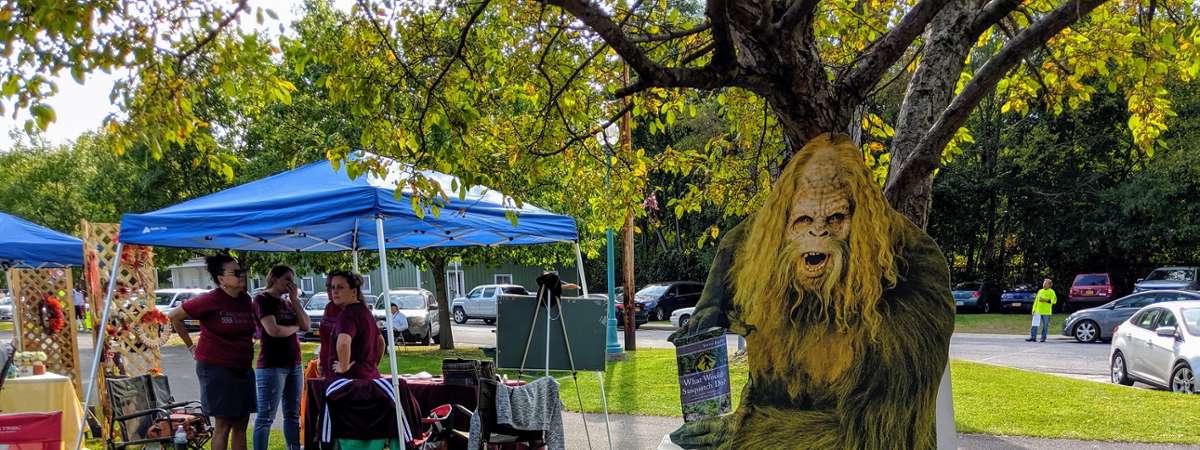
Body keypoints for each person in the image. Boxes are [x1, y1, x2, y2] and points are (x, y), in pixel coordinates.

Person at [168, 255, 257, 450]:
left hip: (243, 368)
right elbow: (174, 316)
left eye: (242, 271)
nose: (241, 275)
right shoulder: (210, 300)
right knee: (223, 425)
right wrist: (190, 346)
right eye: (236, 272)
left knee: (241, 425)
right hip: (217, 368)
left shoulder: (245, 299)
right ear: (221, 279)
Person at [251, 266, 310, 450]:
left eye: (292, 280)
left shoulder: (288, 303)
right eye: (287, 279)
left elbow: (306, 325)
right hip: (272, 365)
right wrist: (295, 327)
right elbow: (274, 330)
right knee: (266, 416)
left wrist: (295, 301)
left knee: (293, 414)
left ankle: (293, 447)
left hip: (294, 363)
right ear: (274, 278)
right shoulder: (262, 299)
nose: (291, 284)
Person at [328, 271, 385, 379]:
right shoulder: (365, 311)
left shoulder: (347, 315)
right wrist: (371, 366)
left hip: (350, 381)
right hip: (370, 377)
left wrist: (343, 366)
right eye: (333, 287)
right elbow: (380, 341)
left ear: (354, 292)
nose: (335, 291)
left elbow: (343, 342)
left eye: (340, 287)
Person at [1027, 278, 1057, 342]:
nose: (1044, 284)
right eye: (1044, 283)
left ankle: (1043, 338)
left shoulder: (1052, 292)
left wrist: (1045, 300)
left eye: (1045, 283)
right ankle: (1033, 337)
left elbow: (1054, 301)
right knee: (1034, 324)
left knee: (1045, 325)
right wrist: (1033, 309)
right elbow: (1036, 301)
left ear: (1049, 285)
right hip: (1037, 310)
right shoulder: (1040, 291)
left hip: (1046, 312)